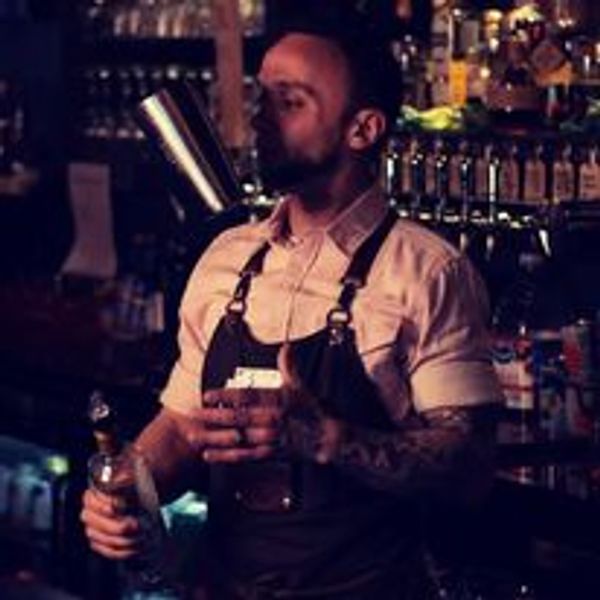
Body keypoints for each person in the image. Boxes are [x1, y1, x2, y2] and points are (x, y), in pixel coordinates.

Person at [81, 9, 504, 599]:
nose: (259, 114)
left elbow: (469, 468)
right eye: (262, 96)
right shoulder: (228, 258)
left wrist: (327, 438)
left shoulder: (427, 272)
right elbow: (181, 426)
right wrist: (127, 486)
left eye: (291, 100)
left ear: (364, 129)